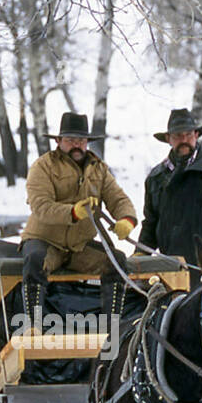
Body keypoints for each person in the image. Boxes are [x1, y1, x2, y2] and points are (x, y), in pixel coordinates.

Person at [20, 112, 138, 332]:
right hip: (45, 241)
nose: (77, 145)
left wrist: (127, 219)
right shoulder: (42, 166)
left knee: (116, 261)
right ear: (58, 141)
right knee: (34, 260)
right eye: (71, 140)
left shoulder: (99, 169)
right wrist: (72, 212)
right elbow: (41, 206)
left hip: (79, 248)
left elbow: (118, 198)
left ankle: (112, 328)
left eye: (81, 140)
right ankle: (32, 325)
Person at [139, 108, 202, 287]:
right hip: (174, 273)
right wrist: (140, 254)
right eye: (178, 136)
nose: (184, 140)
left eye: (188, 134)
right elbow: (151, 222)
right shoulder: (156, 178)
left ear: (196, 135)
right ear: (168, 139)